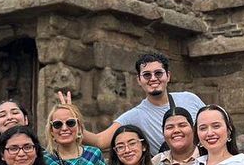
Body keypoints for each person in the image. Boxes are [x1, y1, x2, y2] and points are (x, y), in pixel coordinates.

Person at [77, 53, 205, 152]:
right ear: (139, 80)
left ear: (168, 76)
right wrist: (71, 124)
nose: (153, 78)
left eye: (158, 73)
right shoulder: (136, 116)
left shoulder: (190, 99)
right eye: (147, 75)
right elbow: (100, 141)